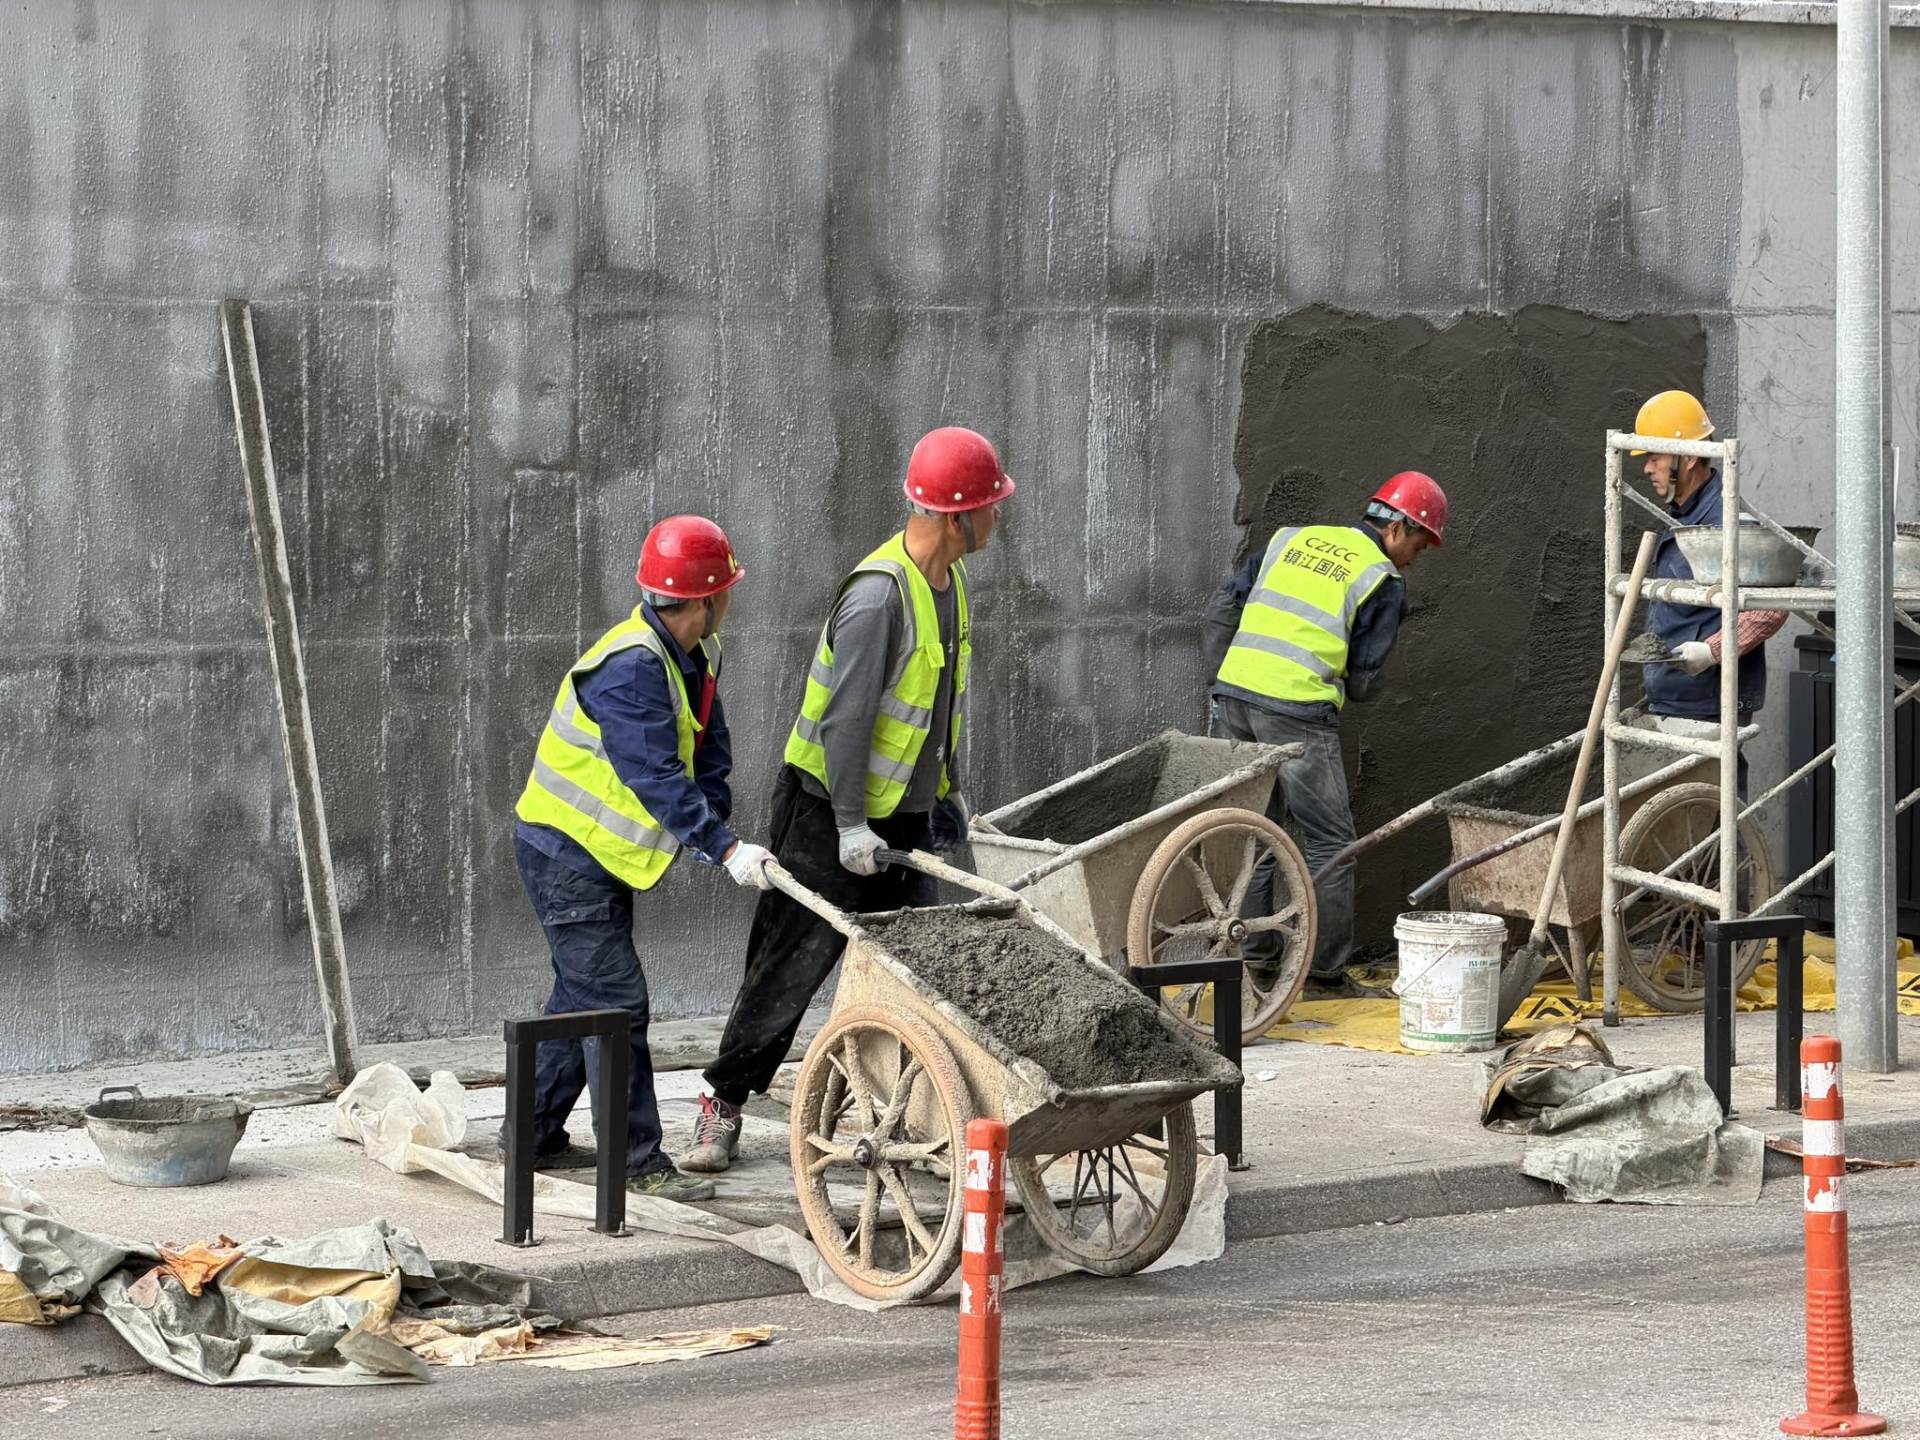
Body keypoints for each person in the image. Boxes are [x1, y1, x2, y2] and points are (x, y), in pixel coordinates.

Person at [683, 427, 1012, 1173]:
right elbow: (847, 721)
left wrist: (948, 793)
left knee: (931, 963)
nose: (1000, 518)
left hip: (905, 814)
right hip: (827, 810)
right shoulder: (878, 598)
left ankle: (923, 1115)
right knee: (791, 962)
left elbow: (937, 704)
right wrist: (850, 825)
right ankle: (722, 1102)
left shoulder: (950, 584)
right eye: (991, 505)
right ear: (958, 517)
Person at [509, 515, 774, 1202]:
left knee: (581, 1000)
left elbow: (707, 746)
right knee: (617, 1004)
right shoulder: (631, 668)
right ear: (707, 597)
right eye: (729, 589)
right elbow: (653, 774)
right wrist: (723, 847)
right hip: (565, 853)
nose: (732, 601)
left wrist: (717, 822)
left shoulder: (695, 652)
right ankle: (635, 1164)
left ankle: (528, 1137)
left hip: (591, 856)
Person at [1203, 471, 1447, 995]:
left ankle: (1259, 958)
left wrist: (1222, 679)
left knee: (1259, 833)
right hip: (1294, 709)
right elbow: (1361, 682)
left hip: (1235, 699)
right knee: (1332, 843)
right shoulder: (1381, 580)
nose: (1414, 559)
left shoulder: (1290, 538)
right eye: (1419, 546)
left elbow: (1225, 605)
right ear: (1398, 528)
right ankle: (1322, 973)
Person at [1630, 389, 1786, 797]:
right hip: (1674, 698)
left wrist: (1713, 650)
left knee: (1714, 830)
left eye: (1655, 457)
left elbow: (1772, 609)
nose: (1648, 469)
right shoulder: (1680, 518)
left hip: (1709, 703)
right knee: (1678, 830)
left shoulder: (1726, 521)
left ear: (1690, 457)